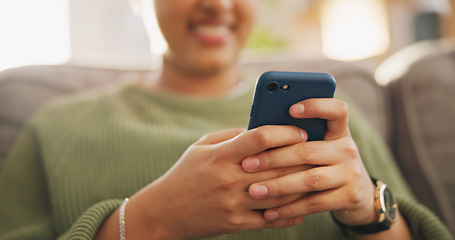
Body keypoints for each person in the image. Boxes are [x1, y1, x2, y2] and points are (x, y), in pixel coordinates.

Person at [0, 0, 452, 239]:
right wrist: (150, 221)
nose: (218, 3)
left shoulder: (333, 116)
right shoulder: (57, 126)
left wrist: (367, 211)